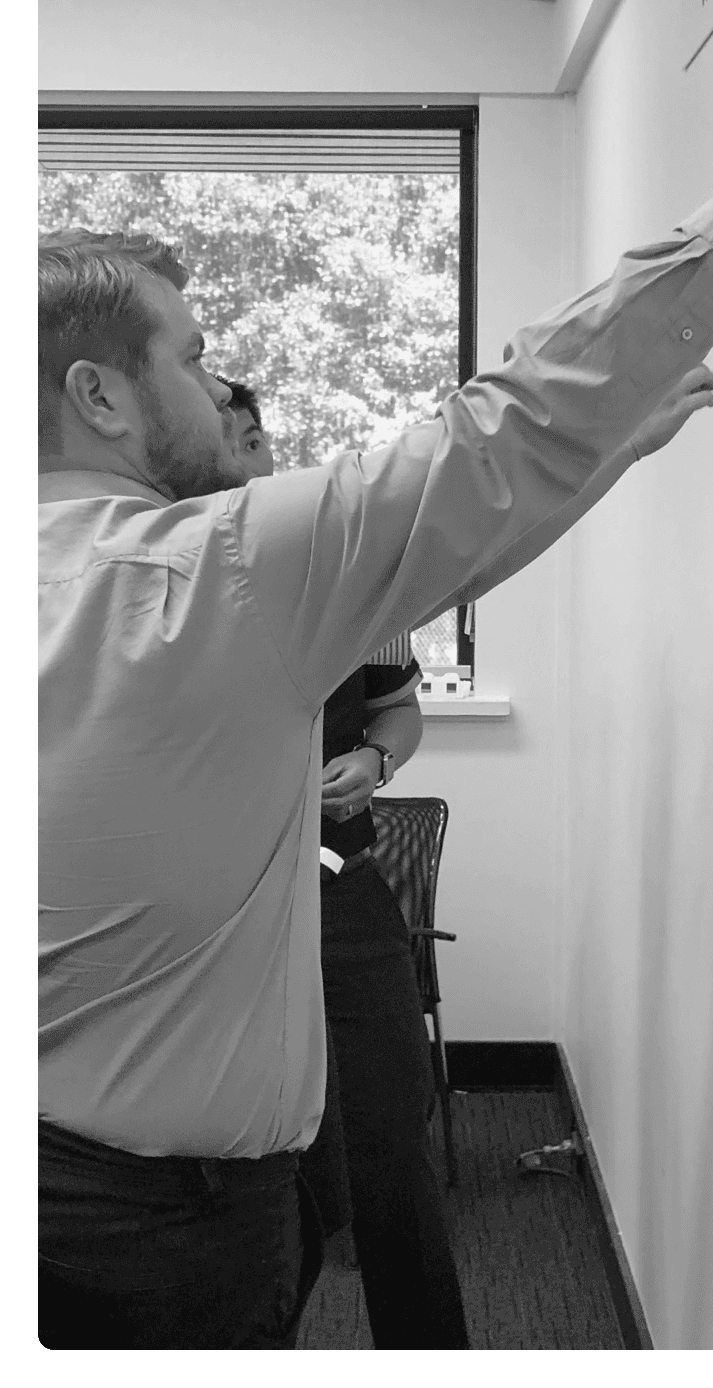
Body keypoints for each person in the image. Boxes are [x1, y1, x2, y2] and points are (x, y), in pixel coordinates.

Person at [38, 73, 713, 1348]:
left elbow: (469, 517)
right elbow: (497, 439)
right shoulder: (208, 575)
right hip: (159, 1231)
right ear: (101, 396)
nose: (218, 383)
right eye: (188, 355)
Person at [225, 380, 471, 1347]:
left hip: (339, 893)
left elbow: (397, 712)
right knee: (245, 1183)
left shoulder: (340, 562)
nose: (248, 453)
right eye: (227, 433)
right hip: (214, 906)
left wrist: (374, 760)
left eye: (254, 435)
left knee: (389, 1154)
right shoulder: (145, 569)